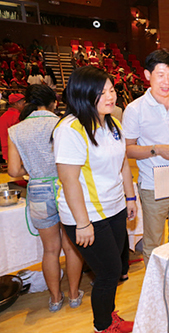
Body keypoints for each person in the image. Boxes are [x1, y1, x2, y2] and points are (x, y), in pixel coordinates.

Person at [53, 66, 136, 333]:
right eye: (101, 93)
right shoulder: (70, 129)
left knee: (117, 269)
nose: (110, 97)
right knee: (110, 272)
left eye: (111, 90)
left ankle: (110, 317)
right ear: (84, 95)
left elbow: (123, 164)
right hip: (86, 214)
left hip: (115, 208)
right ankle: (102, 327)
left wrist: (130, 197)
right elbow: (69, 180)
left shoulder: (113, 124)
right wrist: (82, 223)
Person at [8, 84, 83, 312]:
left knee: (50, 250)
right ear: (53, 103)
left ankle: (55, 299)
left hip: (38, 189)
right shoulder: (63, 124)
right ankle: (73, 295)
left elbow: (12, 170)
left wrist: (32, 170)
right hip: (65, 187)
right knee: (71, 248)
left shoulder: (17, 129)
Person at [122, 49, 169, 268]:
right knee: (154, 241)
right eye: (160, 75)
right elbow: (127, 149)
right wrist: (156, 150)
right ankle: (155, 290)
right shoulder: (135, 109)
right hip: (154, 183)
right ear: (147, 75)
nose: (166, 81)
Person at [0, 93, 24, 160]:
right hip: (16, 151)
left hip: (6, 149)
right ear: (15, 104)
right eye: (22, 103)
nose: (24, 105)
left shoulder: (3, 116)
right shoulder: (18, 117)